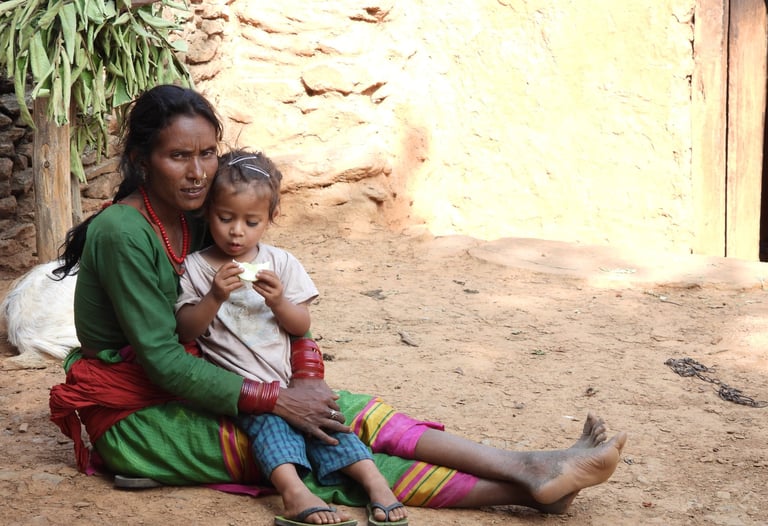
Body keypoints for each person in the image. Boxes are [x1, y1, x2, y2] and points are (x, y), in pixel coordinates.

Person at [47, 84, 627, 526]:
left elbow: (267, 313)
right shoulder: (125, 232)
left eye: (207, 154)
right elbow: (163, 362)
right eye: (179, 156)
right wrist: (278, 398)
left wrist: (302, 376)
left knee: (342, 410)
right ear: (144, 157)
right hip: (137, 415)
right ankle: (524, 489)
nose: (198, 172)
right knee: (300, 448)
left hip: (214, 380)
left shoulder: (201, 217)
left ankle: (529, 464)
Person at [174, 149, 407, 526]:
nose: (236, 231)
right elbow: (186, 329)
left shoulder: (281, 263)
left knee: (331, 425)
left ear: (270, 219)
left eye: (251, 221)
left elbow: (300, 325)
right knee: (271, 431)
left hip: (289, 383)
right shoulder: (198, 269)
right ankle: (294, 493)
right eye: (225, 218)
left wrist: (280, 301)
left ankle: (374, 482)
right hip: (242, 390)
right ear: (207, 212)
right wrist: (214, 296)